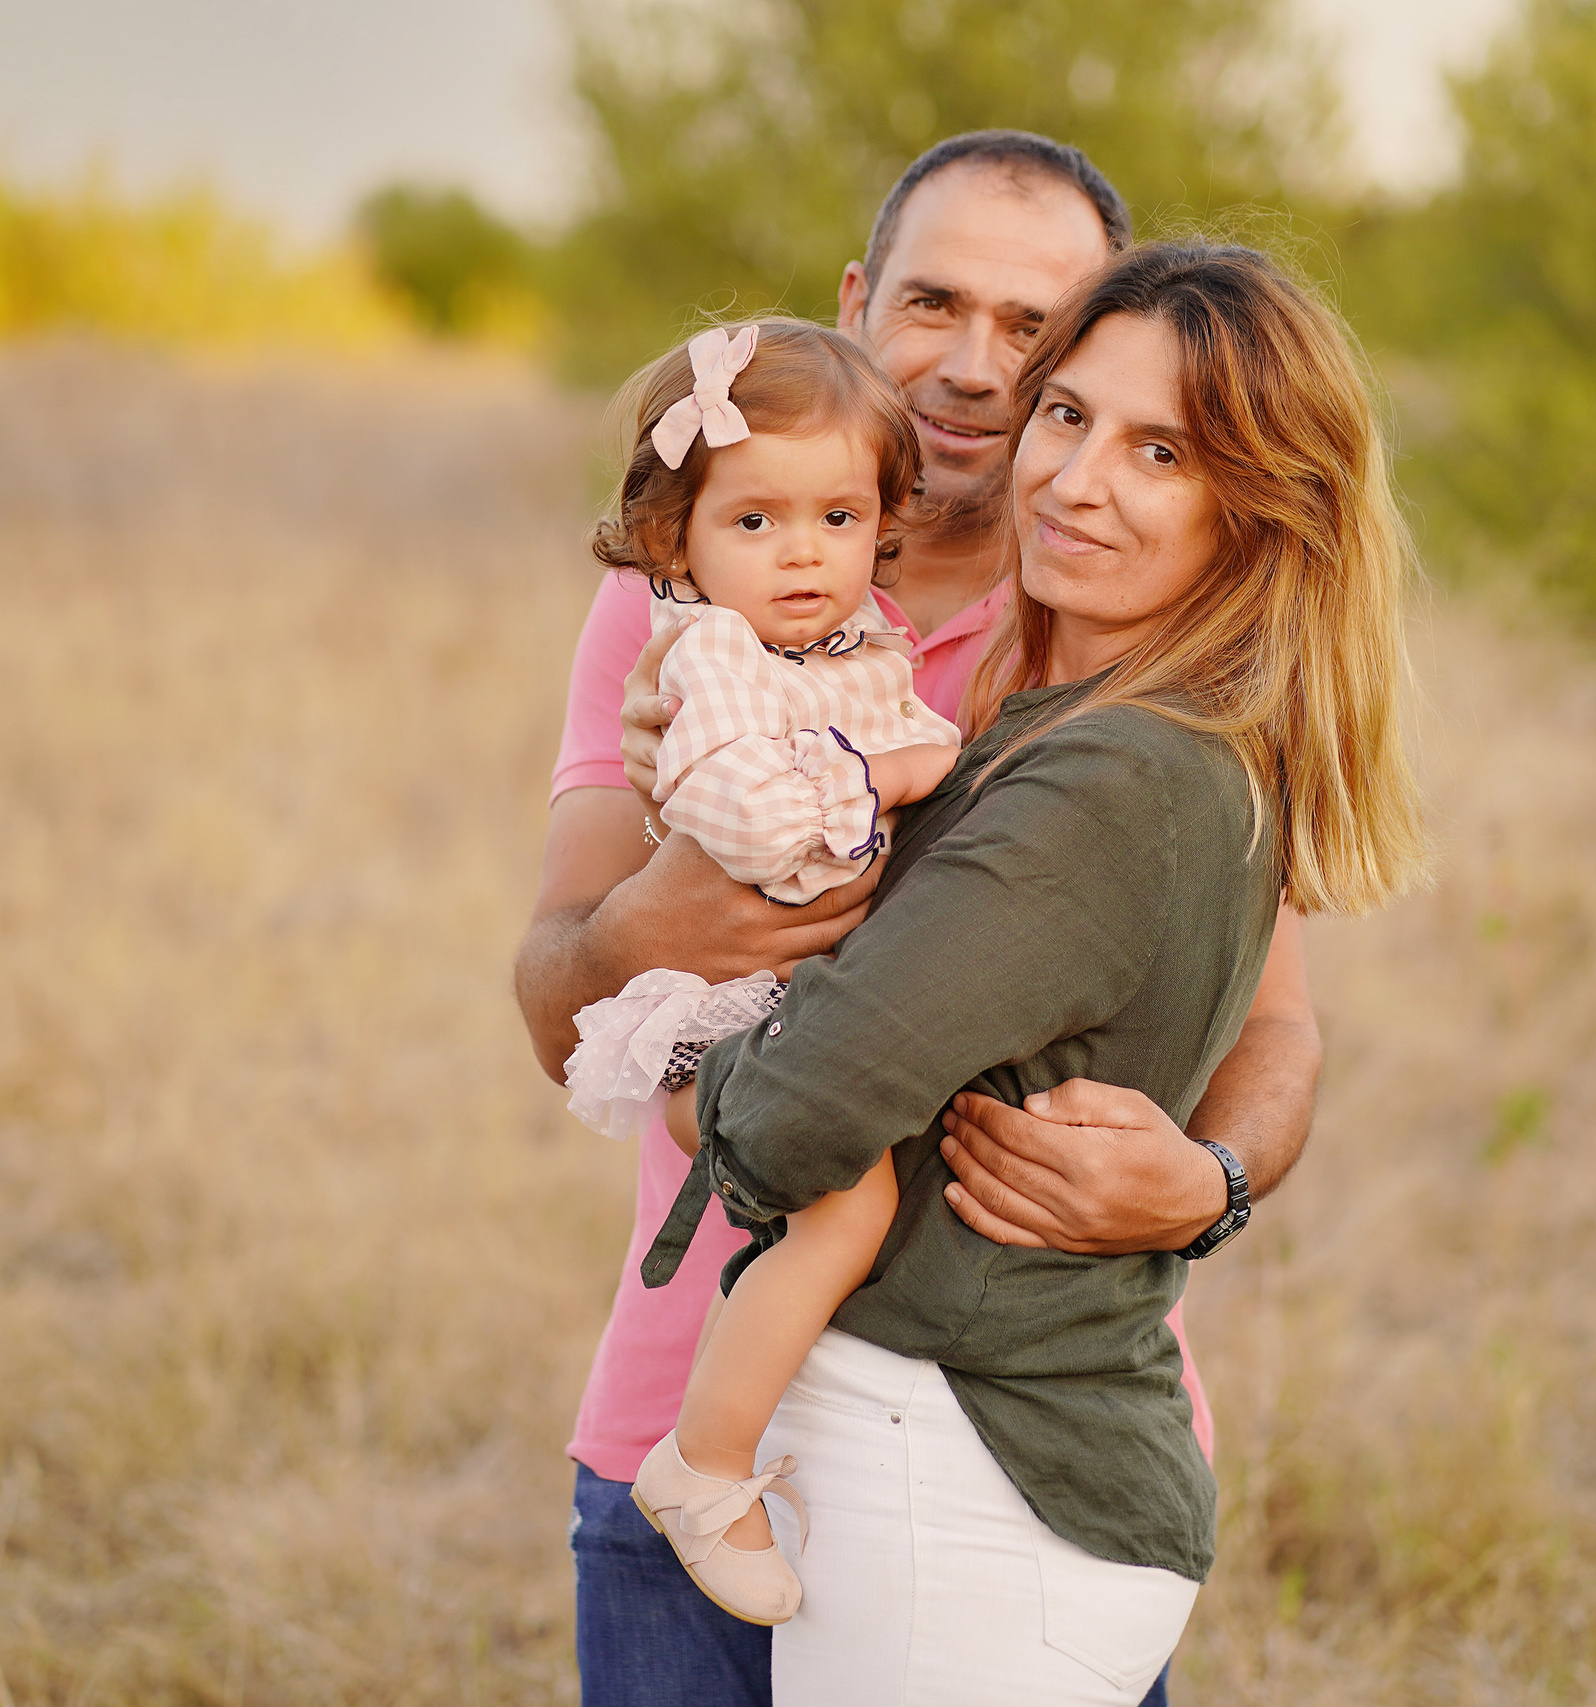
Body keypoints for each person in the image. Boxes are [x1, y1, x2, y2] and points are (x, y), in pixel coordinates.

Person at [513, 132, 1324, 1707]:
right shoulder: (689, 594)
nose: (972, 367)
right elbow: (558, 1002)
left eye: (1036, 331)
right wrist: (652, 926)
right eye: (933, 303)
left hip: (1003, 1438)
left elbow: (1276, 1021)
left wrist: (1208, 1179)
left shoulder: (1124, 616)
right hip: (695, 1395)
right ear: (854, 303)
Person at [660, 240, 1429, 1705]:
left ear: (1257, 513)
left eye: (1163, 452)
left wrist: (685, 1069)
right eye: (1067, 416)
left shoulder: (1117, 777)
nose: (1077, 481)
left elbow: (789, 1118)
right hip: (966, 1467)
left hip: (966, 1482)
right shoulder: (1096, 725)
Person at [558, 316, 963, 1626]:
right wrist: (882, 783)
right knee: (843, 1206)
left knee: (862, 1202)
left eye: (840, 517)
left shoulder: (853, 645)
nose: (803, 552)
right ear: (677, 542)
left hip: (817, 1004)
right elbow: (763, 829)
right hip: (733, 1009)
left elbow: (923, 745)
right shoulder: (711, 656)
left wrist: (902, 764)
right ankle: (706, 1461)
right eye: (757, 523)